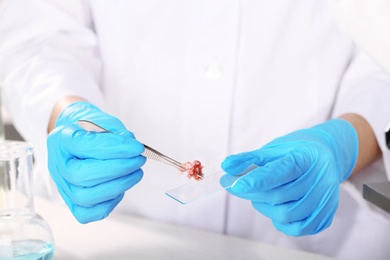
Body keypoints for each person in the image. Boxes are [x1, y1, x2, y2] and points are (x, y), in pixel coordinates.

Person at [1, 1, 390, 259]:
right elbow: (37, 36)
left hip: (318, 247)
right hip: (121, 234)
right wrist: (67, 112)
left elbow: (382, 54)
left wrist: (347, 142)